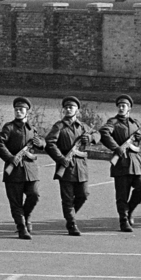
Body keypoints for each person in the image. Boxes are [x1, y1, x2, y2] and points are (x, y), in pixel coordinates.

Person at [0, 96, 43, 239]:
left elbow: (41, 143)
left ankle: (26, 217)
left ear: (27, 112)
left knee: (34, 195)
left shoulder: (32, 129)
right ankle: (21, 227)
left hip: (30, 170)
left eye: (21, 110)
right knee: (15, 201)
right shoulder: (9, 127)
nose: (18, 112)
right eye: (16, 110)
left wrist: (41, 143)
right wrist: (10, 157)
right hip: (14, 171)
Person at [97, 95, 141, 232]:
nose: (121, 108)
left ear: (129, 108)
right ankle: (123, 220)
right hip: (121, 162)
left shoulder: (135, 123)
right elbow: (104, 132)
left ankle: (129, 211)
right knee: (122, 195)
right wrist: (116, 147)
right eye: (119, 105)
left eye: (124, 106)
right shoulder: (113, 122)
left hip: (136, 163)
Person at [45, 95, 93, 236]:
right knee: (67, 198)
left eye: (71, 107)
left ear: (77, 110)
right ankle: (71, 223)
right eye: (66, 107)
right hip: (66, 167)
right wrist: (60, 158)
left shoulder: (83, 127)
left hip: (81, 167)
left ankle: (70, 215)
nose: (68, 109)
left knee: (83, 195)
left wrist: (89, 138)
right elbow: (50, 143)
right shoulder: (58, 127)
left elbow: (97, 135)